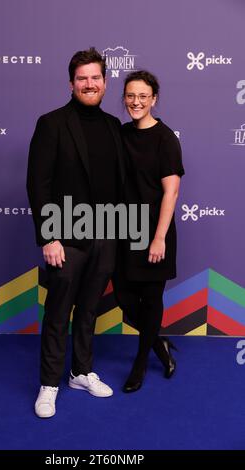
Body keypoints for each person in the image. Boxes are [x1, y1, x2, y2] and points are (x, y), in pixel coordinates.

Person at [27, 48, 125, 417]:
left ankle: (81, 372)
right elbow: (38, 184)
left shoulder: (114, 126)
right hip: (65, 239)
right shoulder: (51, 123)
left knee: (88, 310)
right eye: (82, 78)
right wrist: (48, 237)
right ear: (71, 83)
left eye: (95, 77)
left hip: (105, 236)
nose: (89, 83)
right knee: (58, 311)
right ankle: (49, 383)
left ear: (105, 81)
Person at [113, 70, 184, 393]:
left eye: (143, 96)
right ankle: (159, 344)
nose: (136, 101)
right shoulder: (121, 133)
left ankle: (140, 364)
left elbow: (171, 192)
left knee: (151, 299)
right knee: (126, 300)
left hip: (155, 231)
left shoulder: (166, 138)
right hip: (124, 230)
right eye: (130, 95)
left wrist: (158, 238)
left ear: (154, 99)